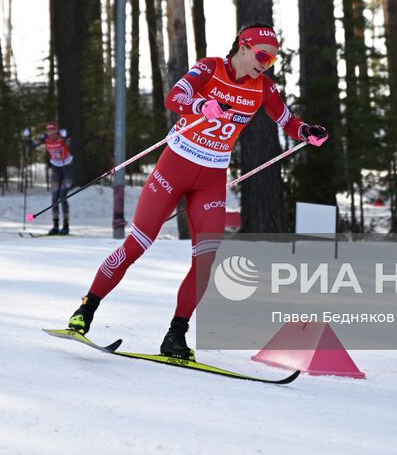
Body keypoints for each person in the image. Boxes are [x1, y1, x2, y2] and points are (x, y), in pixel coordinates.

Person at [65, 22, 328, 359]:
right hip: (174, 168)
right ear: (244, 47)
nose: (266, 63)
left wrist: (307, 131)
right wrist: (201, 105)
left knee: (205, 260)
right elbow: (175, 97)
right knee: (137, 244)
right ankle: (85, 312)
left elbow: (287, 121)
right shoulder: (209, 67)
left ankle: (175, 335)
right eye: (263, 55)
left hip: (211, 179)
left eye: (272, 59)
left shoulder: (263, 88)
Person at [29, 121, 74, 235]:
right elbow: (32, 145)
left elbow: (69, 138)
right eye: (49, 132)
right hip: (56, 169)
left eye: (53, 131)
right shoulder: (45, 139)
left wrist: (66, 135)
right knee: (54, 198)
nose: (51, 134)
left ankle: (66, 226)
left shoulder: (62, 137)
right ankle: (55, 226)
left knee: (62, 197)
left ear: (56, 131)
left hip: (67, 168)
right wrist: (28, 136)